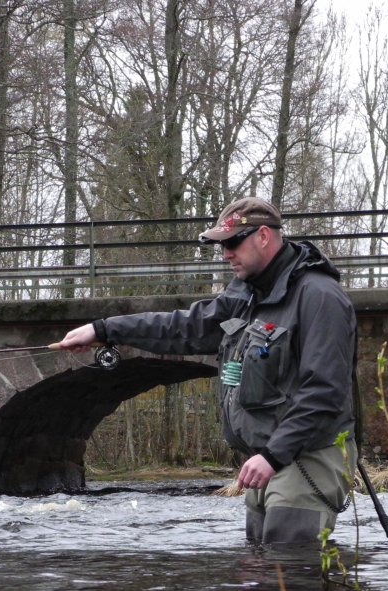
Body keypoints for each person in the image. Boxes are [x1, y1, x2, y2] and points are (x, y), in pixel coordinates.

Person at [52, 197, 358, 546]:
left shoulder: (320, 297)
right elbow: (185, 327)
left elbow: (324, 392)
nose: (225, 253)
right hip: (269, 458)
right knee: (260, 576)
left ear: (263, 236)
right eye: (220, 245)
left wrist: (273, 455)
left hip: (308, 453)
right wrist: (105, 329)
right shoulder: (245, 295)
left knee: (290, 569)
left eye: (231, 242)